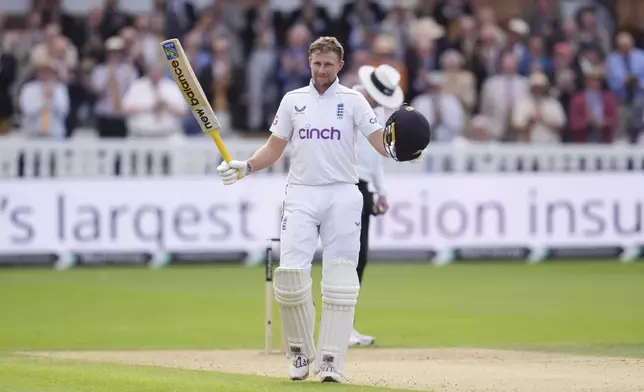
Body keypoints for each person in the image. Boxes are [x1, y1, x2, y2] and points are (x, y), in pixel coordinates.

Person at [216, 36, 430, 383]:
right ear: (309, 63)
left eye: (328, 64)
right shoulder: (293, 101)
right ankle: (300, 355)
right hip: (301, 193)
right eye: (317, 63)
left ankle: (331, 363)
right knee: (289, 277)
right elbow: (274, 148)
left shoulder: (355, 101)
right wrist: (246, 167)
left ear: (340, 66)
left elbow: (380, 141)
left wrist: (401, 151)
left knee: (341, 280)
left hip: (343, 194)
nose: (322, 70)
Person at [349, 64, 404, 346]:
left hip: (364, 187)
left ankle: (346, 323)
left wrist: (380, 191)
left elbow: (376, 159)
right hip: (346, 185)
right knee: (349, 257)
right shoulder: (347, 102)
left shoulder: (378, 113)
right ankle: (340, 326)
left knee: (360, 259)